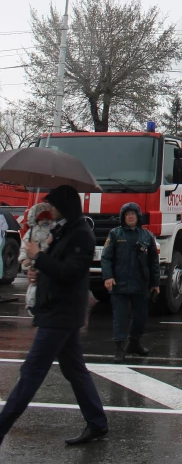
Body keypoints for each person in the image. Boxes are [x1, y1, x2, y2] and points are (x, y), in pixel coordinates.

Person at [0, 185, 108, 447]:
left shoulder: (81, 235)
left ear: (67, 205)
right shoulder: (63, 230)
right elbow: (55, 267)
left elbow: (71, 272)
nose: (52, 210)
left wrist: (40, 258)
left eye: (55, 205)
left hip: (61, 314)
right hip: (56, 310)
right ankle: (97, 423)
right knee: (75, 370)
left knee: (31, 372)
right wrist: (38, 268)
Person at [101, 202, 160, 363]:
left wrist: (155, 283)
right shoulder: (115, 234)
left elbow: (154, 261)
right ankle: (119, 349)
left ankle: (134, 343)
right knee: (119, 318)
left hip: (140, 284)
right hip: (119, 285)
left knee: (140, 317)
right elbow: (106, 257)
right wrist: (108, 277)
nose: (131, 217)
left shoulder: (147, 236)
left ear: (138, 216)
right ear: (123, 218)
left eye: (133, 214)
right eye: (127, 214)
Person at [18, 201, 55, 314]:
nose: (45, 221)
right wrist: (26, 259)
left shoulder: (54, 232)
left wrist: (45, 246)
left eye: (48, 219)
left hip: (48, 266)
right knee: (34, 285)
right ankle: (32, 305)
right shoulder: (31, 233)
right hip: (36, 267)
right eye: (42, 219)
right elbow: (25, 248)